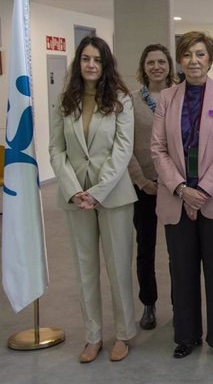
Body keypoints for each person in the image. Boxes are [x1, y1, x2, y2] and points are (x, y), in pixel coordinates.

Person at [150, 31, 213, 360]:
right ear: (180, 60)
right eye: (187, 54)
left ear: (210, 60)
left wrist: (201, 190)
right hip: (176, 197)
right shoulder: (166, 98)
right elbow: (157, 149)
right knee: (182, 270)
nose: (193, 61)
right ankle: (185, 336)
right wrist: (181, 188)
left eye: (200, 54)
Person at [49, 36, 137, 363]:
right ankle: (92, 336)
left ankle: (124, 333)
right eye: (86, 58)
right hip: (75, 197)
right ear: (78, 62)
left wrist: (98, 191)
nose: (90, 65)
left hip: (113, 195)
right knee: (85, 269)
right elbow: (56, 149)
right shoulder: (64, 100)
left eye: (97, 60)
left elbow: (122, 149)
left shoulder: (120, 100)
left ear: (105, 64)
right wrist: (74, 189)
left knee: (118, 269)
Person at [128, 44, 176, 331]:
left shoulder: (180, 95)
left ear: (169, 65)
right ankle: (148, 303)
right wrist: (141, 180)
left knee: (177, 249)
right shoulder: (130, 102)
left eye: (161, 61)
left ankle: (179, 303)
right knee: (145, 247)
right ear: (143, 67)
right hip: (144, 186)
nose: (156, 67)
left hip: (174, 185)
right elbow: (124, 145)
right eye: (150, 62)